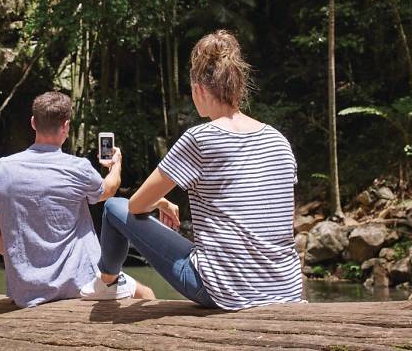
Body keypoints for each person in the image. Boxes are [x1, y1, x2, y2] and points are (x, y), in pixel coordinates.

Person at [80, 30, 303, 310]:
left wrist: (155, 201)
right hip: (287, 287)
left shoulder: (200, 138)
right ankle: (110, 282)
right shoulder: (277, 140)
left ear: (198, 89)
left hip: (223, 291)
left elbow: (135, 207)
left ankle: (108, 282)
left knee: (114, 208)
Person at [0, 91, 155, 308]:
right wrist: (116, 164)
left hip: (25, 292)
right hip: (81, 285)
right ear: (66, 126)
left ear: (33, 123)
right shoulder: (77, 168)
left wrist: (25, 258)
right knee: (146, 293)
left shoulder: (0, 169)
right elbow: (109, 189)